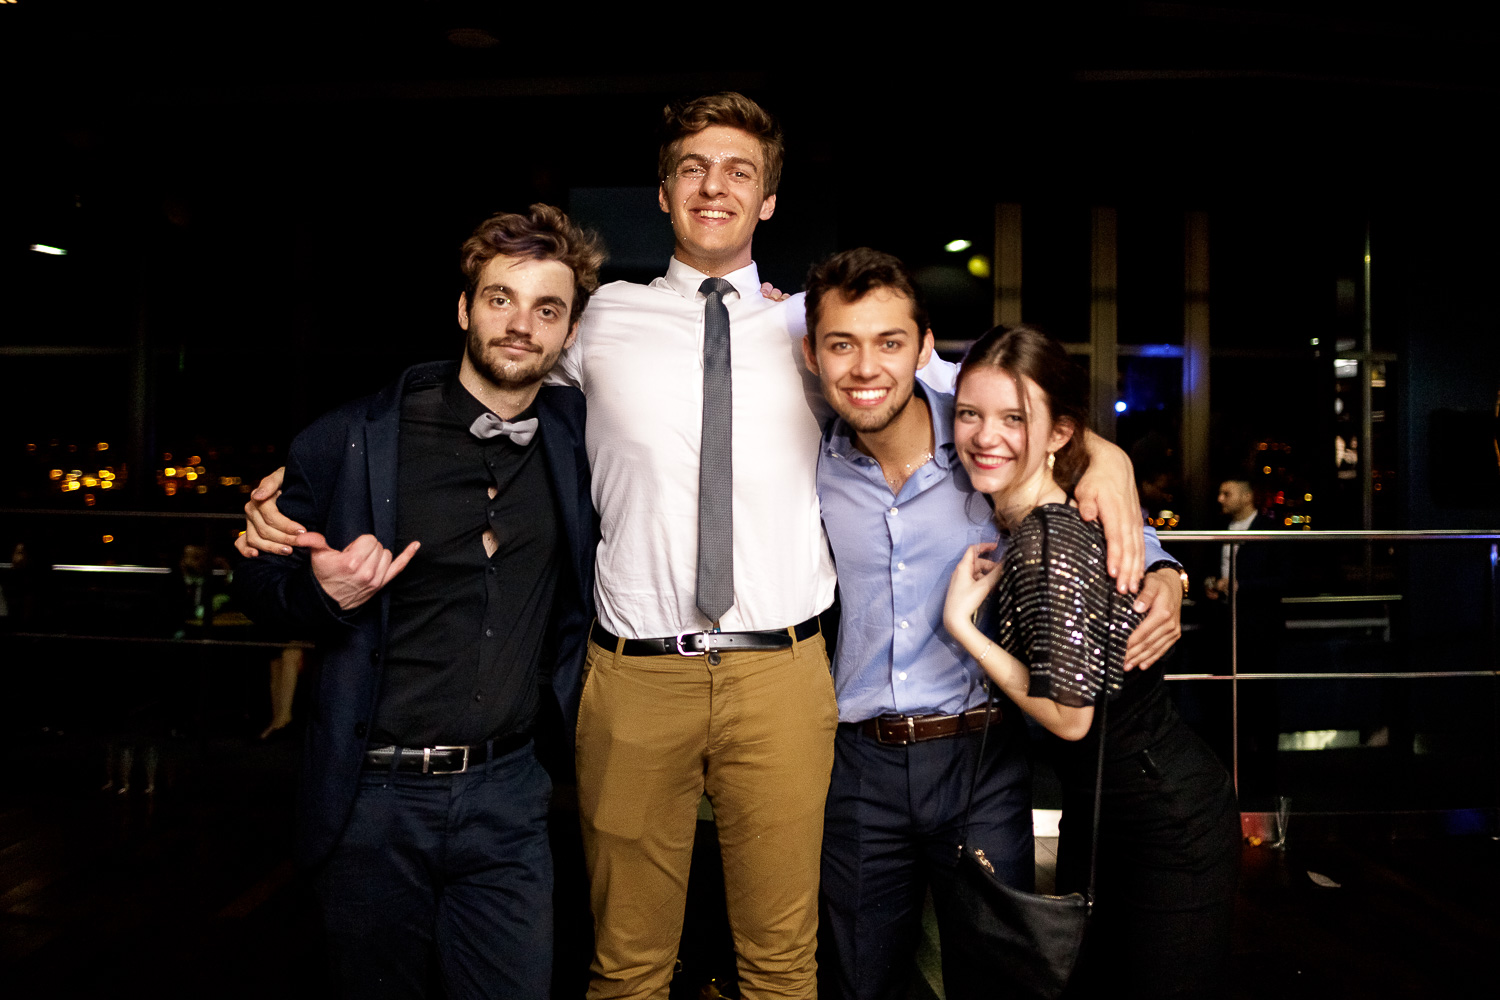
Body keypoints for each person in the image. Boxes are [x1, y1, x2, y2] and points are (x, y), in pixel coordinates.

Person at [242, 93, 1151, 1000]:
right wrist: (316, 472)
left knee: (782, 962)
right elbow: (487, 376)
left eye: (739, 172)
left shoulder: (819, 330)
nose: (714, 186)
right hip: (634, 675)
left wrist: (1105, 457)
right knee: (627, 963)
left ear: (767, 203)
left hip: (783, 678)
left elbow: (1002, 404)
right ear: (667, 192)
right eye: (692, 168)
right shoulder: (595, 322)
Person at [231, 204, 601, 1000]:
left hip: (510, 796)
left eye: (547, 309)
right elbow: (257, 584)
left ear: (569, 335)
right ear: (464, 309)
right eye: (500, 298)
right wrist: (323, 595)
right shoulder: (354, 439)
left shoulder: (578, 438)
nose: (520, 324)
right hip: (376, 799)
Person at [802, 250, 1183, 1000]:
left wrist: (1162, 564)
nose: (866, 366)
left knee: (1003, 980)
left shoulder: (983, 444)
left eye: (889, 343)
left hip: (981, 760)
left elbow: (1068, 475)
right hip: (858, 768)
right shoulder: (811, 460)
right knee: (855, 980)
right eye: (841, 344)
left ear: (924, 348)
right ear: (812, 356)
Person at [942, 325, 1239, 1000]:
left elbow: (1071, 718)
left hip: (1165, 817)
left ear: (1058, 434)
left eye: (1015, 419)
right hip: (1108, 806)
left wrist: (963, 629)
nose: (986, 436)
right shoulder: (1036, 521)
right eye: (970, 415)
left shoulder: (1049, 537)